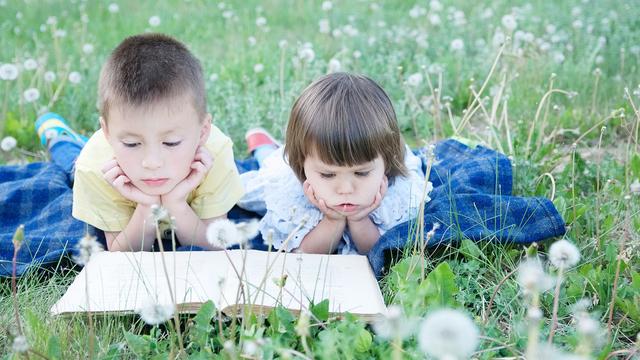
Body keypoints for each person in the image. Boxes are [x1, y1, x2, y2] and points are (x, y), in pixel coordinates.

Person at [63, 33, 244, 251]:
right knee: (68, 160)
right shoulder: (94, 167)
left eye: (171, 142)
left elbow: (215, 248)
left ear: (202, 132)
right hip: (91, 159)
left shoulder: (215, 152)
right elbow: (120, 256)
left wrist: (175, 203)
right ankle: (58, 136)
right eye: (131, 144)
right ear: (107, 133)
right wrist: (147, 207)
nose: (152, 162)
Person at [238, 73, 429, 255]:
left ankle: (265, 145)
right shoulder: (291, 188)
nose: (346, 189)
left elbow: (380, 252)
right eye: (328, 175)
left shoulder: (398, 194)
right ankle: (263, 147)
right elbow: (302, 253)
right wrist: (333, 220)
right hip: (287, 166)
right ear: (302, 167)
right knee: (268, 167)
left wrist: (359, 220)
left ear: (386, 162)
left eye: (361, 173)